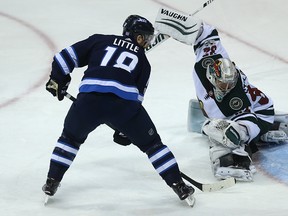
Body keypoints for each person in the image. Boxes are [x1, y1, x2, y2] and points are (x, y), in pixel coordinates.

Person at [42, 14, 195, 205]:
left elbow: (63, 58)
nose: (146, 43)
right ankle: (179, 185)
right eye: (145, 38)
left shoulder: (100, 40)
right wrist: (124, 130)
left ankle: (52, 181)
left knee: (70, 139)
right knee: (153, 145)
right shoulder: (144, 62)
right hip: (124, 107)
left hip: (88, 101)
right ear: (137, 36)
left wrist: (58, 79)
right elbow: (136, 101)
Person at [154, 9, 288, 181]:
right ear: (212, 76)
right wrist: (176, 22)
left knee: (221, 132)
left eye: (230, 84)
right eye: (223, 84)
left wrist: (236, 134)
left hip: (261, 114)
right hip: (245, 108)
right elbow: (207, 34)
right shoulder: (208, 61)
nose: (227, 87)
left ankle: (233, 159)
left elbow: (249, 121)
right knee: (214, 125)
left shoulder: (235, 99)